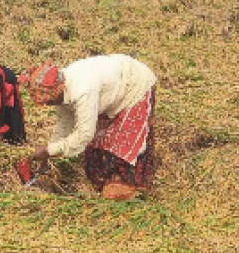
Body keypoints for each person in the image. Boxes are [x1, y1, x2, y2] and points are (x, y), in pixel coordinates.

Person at [19, 55, 157, 200]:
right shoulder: (61, 90)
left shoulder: (83, 90)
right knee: (96, 151)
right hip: (109, 94)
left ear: (56, 92)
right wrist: (48, 155)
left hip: (134, 87)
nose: (47, 105)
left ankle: (130, 190)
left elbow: (84, 135)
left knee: (121, 152)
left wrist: (48, 150)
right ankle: (104, 186)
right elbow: (65, 124)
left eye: (48, 101)